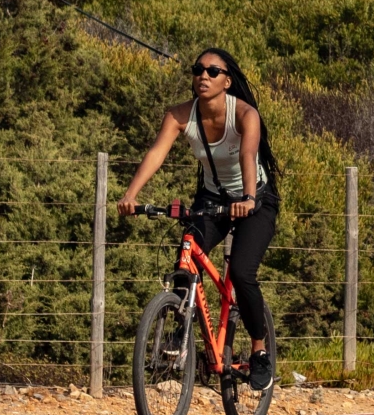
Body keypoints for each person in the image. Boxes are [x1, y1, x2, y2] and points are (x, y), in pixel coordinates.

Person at [117, 49, 278, 388]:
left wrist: (248, 198)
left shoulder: (245, 114)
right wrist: (131, 195)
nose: (204, 76)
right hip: (212, 200)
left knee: (241, 272)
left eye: (213, 71)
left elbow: (248, 155)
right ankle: (180, 331)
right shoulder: (179, 116)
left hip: (256, 200)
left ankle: (260, 351)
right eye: (198, 70)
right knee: (186, 253)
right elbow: (156, 153)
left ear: (227, 81)